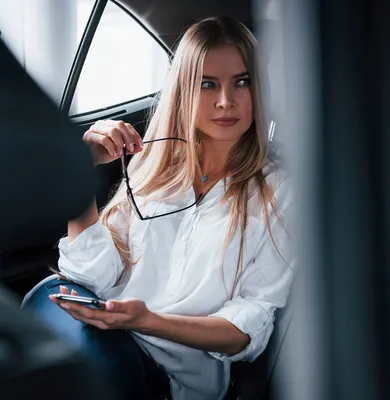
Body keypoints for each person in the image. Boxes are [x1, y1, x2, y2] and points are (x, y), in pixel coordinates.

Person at [22, 16, 295, 400]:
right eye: (208, 84)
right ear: (184, 89)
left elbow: (250, 326)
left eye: (242, 82)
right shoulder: (154, 166)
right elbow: (90, 275)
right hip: (103, 339)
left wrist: (150, 321)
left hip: (170, 376)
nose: (225, 101)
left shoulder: (279, 192)